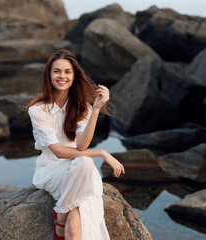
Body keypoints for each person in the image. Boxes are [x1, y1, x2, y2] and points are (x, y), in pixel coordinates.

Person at [27, 49, 125, 240]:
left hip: (78, 168)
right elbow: (58, 152)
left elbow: (81, 146)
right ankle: (62, 215)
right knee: (86, 163)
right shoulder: (37, 110)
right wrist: (102, 152)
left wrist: (95, 109)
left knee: (84, 167)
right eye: (56, 71)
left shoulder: (82, 107)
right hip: (51, 169)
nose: (61, 76)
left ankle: (61, 215)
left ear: (74, 76)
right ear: (49, 75)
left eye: (67, 72)